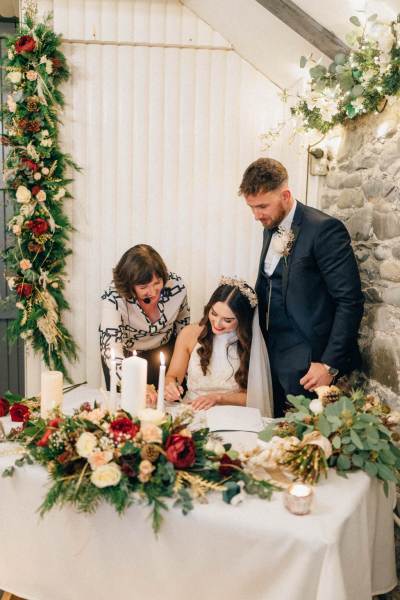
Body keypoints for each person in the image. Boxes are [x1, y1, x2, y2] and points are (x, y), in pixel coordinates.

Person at [239, 157, 364, 417]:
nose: (256, 215)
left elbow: (349, 301)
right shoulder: (270, 226)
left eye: (262, 206)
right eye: (251, 207)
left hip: (309, 363)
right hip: (271, 355)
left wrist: (329, 365)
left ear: (285, 195)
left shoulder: (324, 230)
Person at [164, 277, 272, 415]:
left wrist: (218, 398)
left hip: (232, 415)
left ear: (243, 319)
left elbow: (256, 398)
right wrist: (171, 387)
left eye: (227, 320)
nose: (217, 323)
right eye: (214, 313)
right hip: (192, 410)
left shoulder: (251, 343)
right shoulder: (190, 334)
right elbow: (172, 376)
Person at [99, 244, 190, 397]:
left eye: (157, 283)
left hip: (164, 352)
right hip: (126, 356)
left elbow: (184, 332)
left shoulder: (177, 288)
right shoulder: (113, 297)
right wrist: (133, 381)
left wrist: (179, 373)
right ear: (129, 285)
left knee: (165, 404)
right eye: (143, 287)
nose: (153, 292)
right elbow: (111, 347)